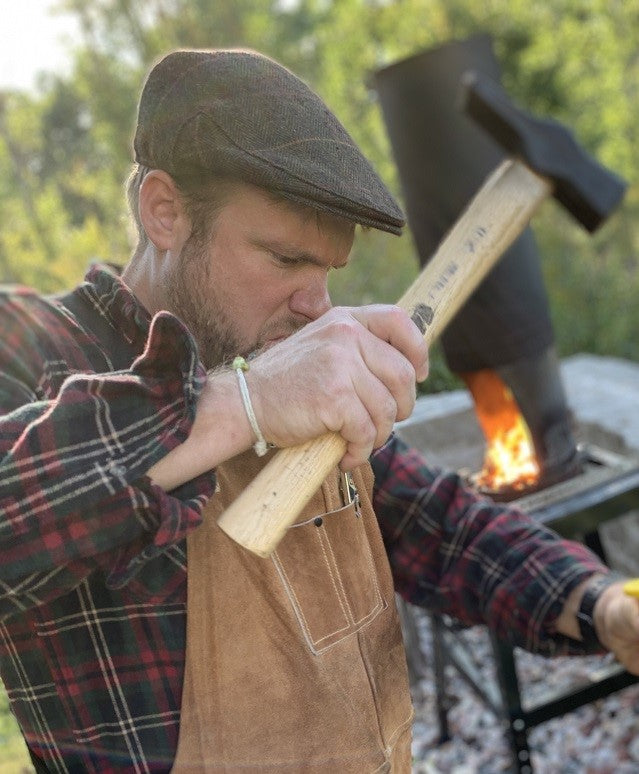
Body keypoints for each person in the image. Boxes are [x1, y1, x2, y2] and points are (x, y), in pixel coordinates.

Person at [1, 48, 638, 773]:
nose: (316, 305)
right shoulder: (35, 353)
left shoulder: (284, 350)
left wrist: (599, 605)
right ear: (165, 211)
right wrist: (241, 403)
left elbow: (442, 525)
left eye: (327, 271)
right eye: (283, 260)